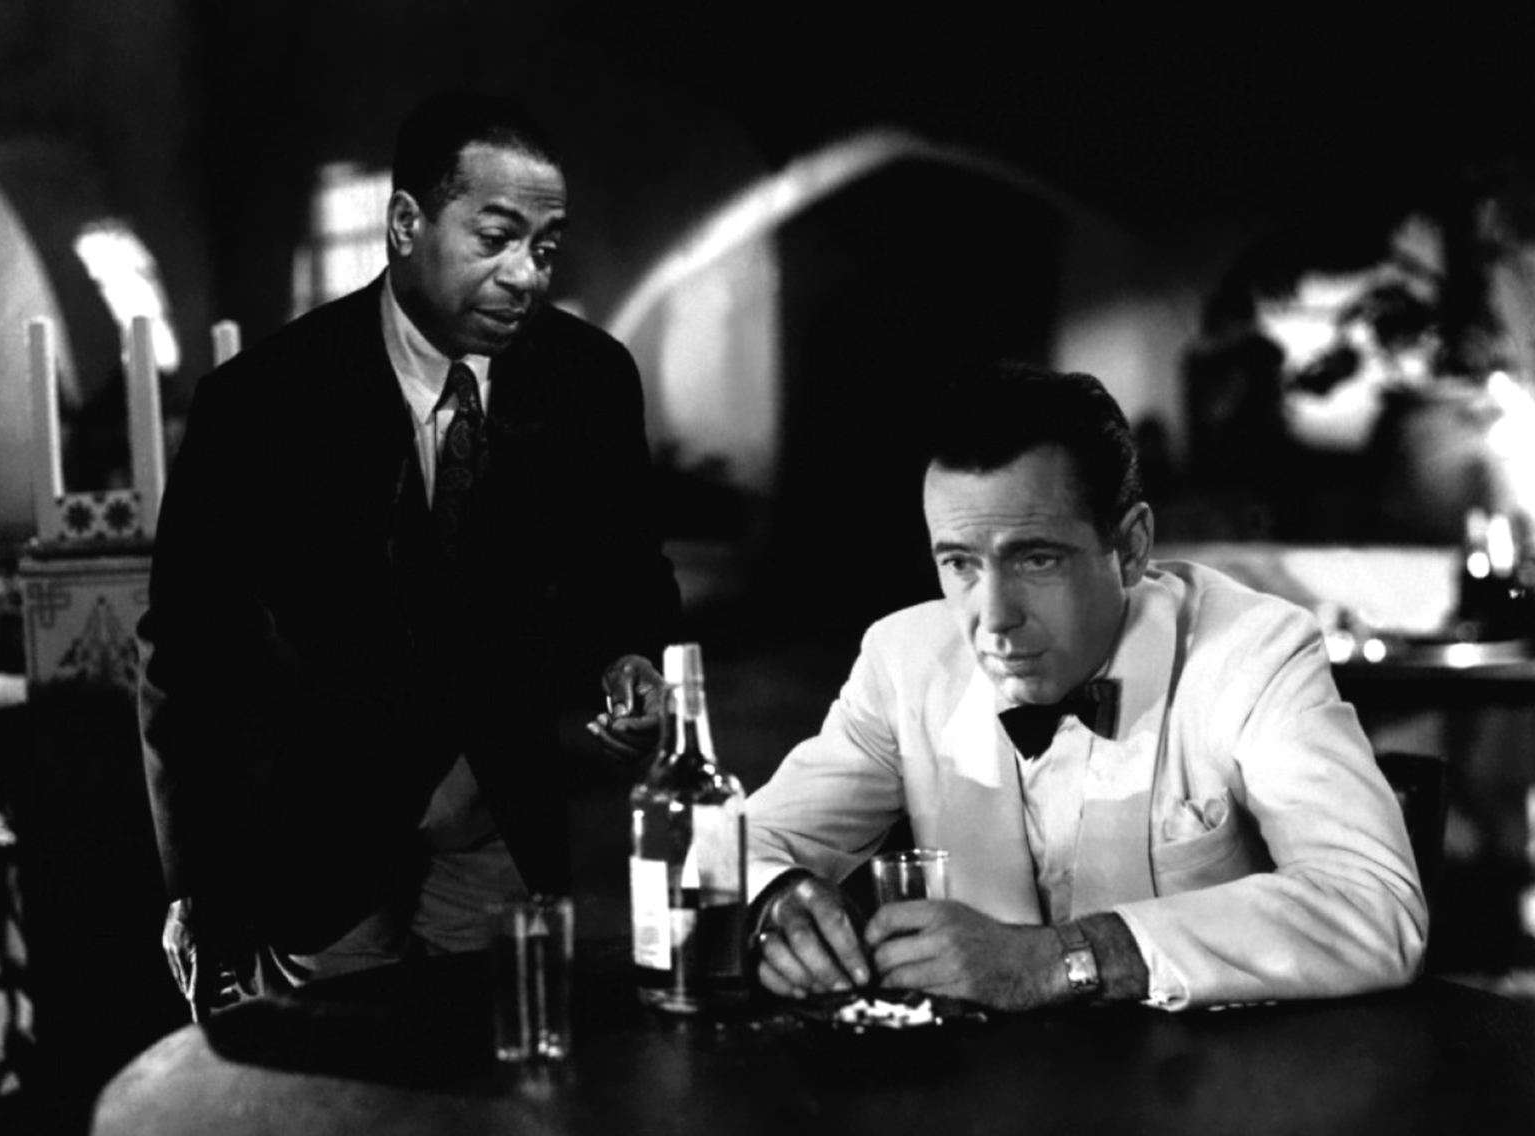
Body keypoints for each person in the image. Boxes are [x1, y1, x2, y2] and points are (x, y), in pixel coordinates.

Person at [139, 92, 681, 1018]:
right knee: (336, 1081)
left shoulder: (589, 378)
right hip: (314, 841)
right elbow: (189, 654)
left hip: (500, 825)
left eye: (546, 248)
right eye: (495, 239)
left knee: (501, 1065)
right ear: (403, 224)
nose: (526, 275)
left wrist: (632, 659)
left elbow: (627, 571)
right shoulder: (261, 403)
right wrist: (201, 882)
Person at [746, 363, 1425, 1012]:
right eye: (960, 563)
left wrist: (1060, 959)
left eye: (1036, 559)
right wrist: (777, 901)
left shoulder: (1253, 653)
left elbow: (1374, 907)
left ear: (1130, 548)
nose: (993, 616)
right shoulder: (905, 662)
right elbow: (739, 844)